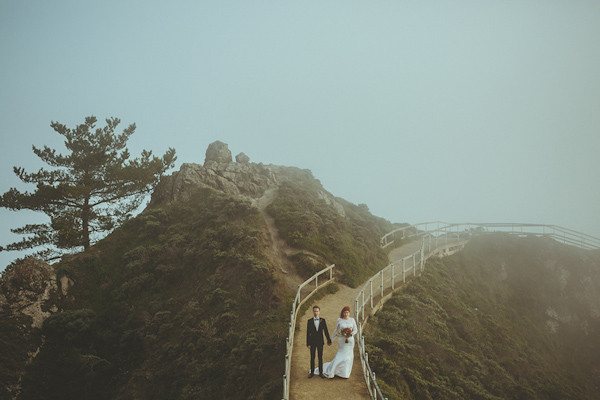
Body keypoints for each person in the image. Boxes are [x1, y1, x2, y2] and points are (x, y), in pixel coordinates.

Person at [317, 306, 358, 379]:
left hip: (350, 340)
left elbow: (355, 330)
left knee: (348, 356)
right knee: (340, 355)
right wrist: (331, 340)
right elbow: (336, 331)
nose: (346, 314)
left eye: (347, 312)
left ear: (349, 313)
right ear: (342, 313)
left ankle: (344, 373)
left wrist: (350, 334)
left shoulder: (352, 320)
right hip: (341, 340)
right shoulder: (339, 320)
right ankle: (332, 371)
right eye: (344, 312)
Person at [306, 305, 332, 378]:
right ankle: (312, 372)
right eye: (314, 311)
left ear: (319, 312)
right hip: (312, 342)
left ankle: (321, 372)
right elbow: (308, 333)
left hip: (320, 341)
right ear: (313, 312)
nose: (316, 312)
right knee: (312, 357)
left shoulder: (322, 320)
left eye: (317, 311)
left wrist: (328, 340)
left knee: (320, 357)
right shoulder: (310, 321)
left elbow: (326, 331)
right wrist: (308, 343)